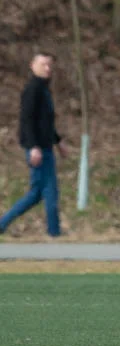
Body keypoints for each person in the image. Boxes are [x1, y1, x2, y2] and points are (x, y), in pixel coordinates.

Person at [0, 52, 67, 237]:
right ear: (32, 65)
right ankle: (55, 233)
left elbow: (45, 123)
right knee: (50, 191)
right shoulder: (32, 90)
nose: (47, 69)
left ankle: (2, 224)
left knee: (36, 194)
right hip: (38, 149)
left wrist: (58, 141)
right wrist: (33, 147)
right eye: (43, 64)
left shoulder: (44, 90)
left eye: (49, 65)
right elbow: (27, 121)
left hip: (45, 147)